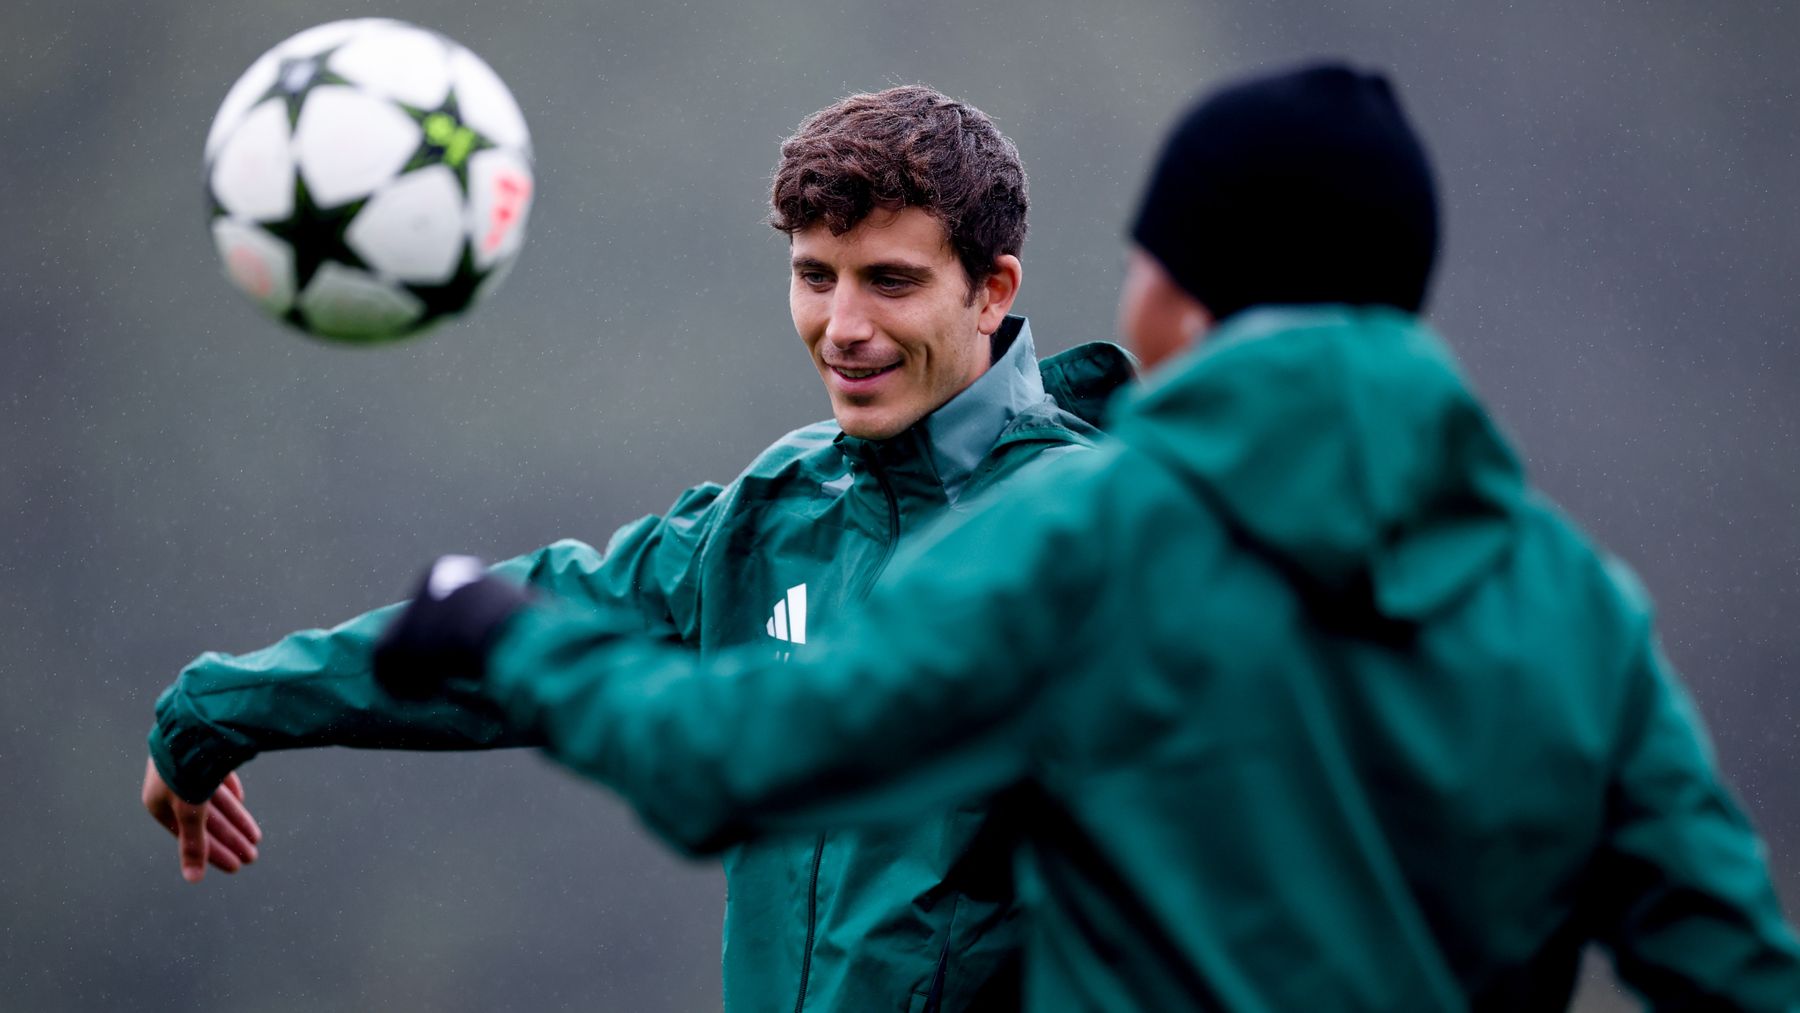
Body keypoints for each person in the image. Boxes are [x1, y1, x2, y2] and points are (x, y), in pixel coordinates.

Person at [368, 63, 1800, 1009]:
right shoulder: (1577, 606)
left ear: (1188, 289)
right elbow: (1739, 975)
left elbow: (737, 760)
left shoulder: (1092, 538)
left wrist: (502, 634)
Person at [141, 84, 1135, 1012]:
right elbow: (512, 635)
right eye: (813, 276)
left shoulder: (1097, 529)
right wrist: (222, 707)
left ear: (991, 290)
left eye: (890, 281)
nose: (842, 327)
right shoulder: (776, 508)